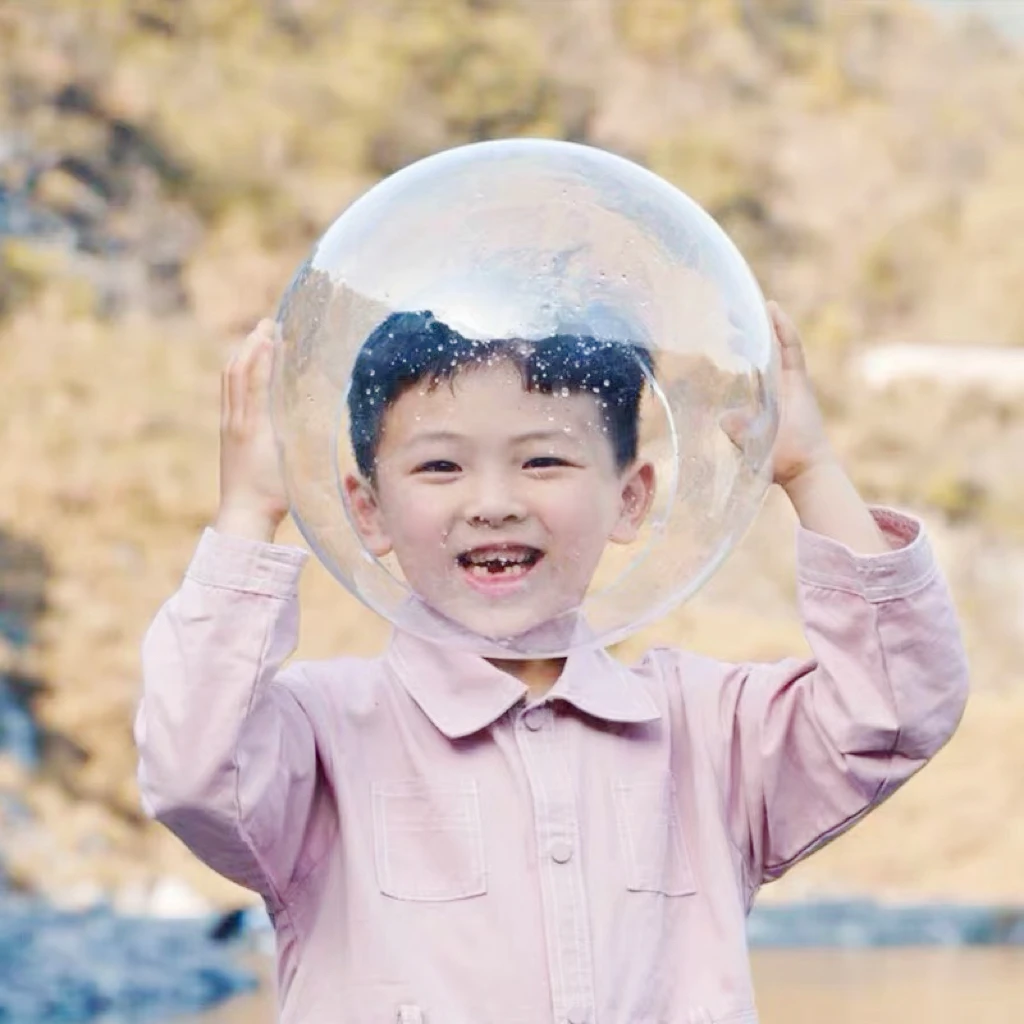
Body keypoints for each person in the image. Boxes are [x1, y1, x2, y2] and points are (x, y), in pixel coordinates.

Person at [135, 301, 969, 1024]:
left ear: (630, 497)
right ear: (369, 509)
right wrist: (248, 510)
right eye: (439, 465)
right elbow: (193, 769)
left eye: (544, 459)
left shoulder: (707, 731)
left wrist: (810, 473)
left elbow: (896, 710)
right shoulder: (323, 734)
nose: (493, 501)